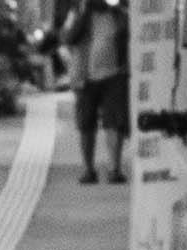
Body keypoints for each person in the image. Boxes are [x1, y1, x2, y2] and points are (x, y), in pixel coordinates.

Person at [45, 0, 126, 183]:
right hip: (84, 76)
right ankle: (88, 169)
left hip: (114, 75)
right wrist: (84, 14)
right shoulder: (78, 13)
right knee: (86, 124)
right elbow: (67, 37)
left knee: (115, 122)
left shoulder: (117, 14)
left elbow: (127, 34)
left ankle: (115, 168)